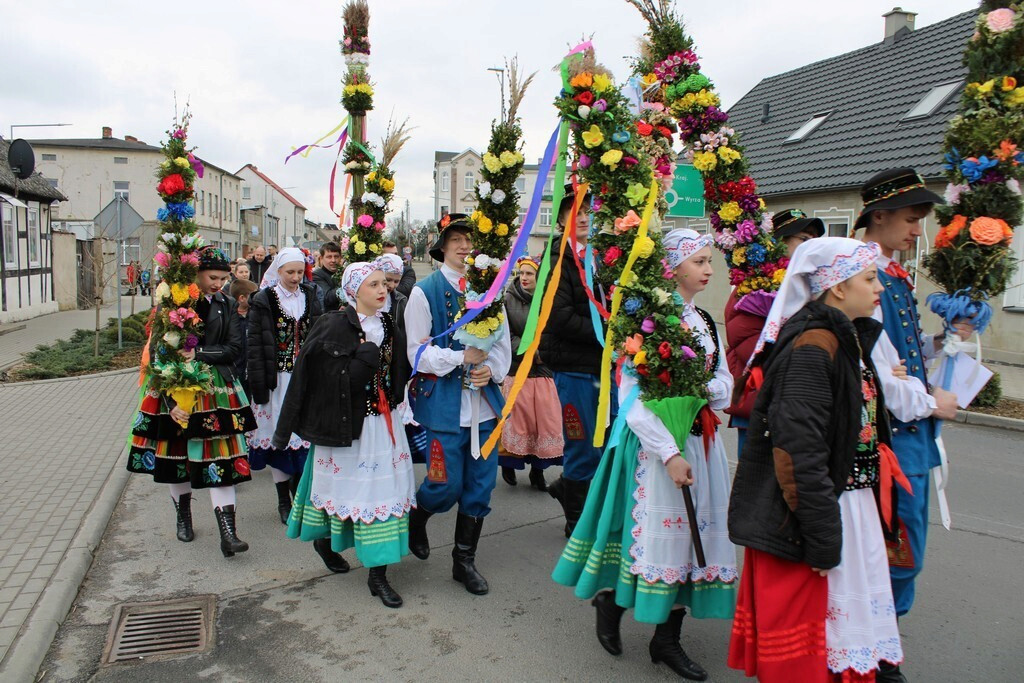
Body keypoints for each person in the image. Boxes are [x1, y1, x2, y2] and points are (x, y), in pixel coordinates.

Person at [553, 230, 736, 681]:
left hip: (703, 443)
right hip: (657, 451)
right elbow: (633, 399)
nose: (709, 270)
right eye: (699, 261)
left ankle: (666, 641)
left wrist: (698, 391)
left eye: (709, 260)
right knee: (658, 538)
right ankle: (611, 605)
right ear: (673, 267)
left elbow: (726, 382)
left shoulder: (707, 322)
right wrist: (669, 452)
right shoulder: (648, 324)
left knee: (695, 540)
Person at [727, 237, 908, 682]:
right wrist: (823, 535)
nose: (879, 286)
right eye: (869, 278)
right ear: (839, 288)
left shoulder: (846, 338)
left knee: (845, 638)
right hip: (824, 506)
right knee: (817, 651)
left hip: (848, 500)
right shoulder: (814, 346)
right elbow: (799, 449)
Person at [855, 168, 967, 681]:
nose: (917, 231)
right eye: (910, 219)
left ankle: (882, 640)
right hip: (893, 440)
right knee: (899, 551)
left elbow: (905, 358)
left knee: (904, 549)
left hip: (912, 440)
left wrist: (948, 345)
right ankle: (877, 645)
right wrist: (932, 401)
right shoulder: (862, 277)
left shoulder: (895, 275)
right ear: (878, 216)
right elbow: (880, 370)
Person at [279, 259, 416, 608]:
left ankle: (377, 575)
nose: (383, 290)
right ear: (355, 291)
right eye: (374, 285)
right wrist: (362, 360)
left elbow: (399, 369)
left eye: (384, 283)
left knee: (381, 496)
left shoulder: (389, 322)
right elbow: (314, 378)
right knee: (341, 491)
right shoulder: (333, 325)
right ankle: (324, 542)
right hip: (346, 428)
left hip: (383, 426)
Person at [404, 213, 511, 596]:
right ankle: (418, 517)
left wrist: (491, 371)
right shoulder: (425, 291)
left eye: (470, 239)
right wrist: (458, 359)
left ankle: (463, 561)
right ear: (443, 245)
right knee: (443, 483)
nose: (464, 246)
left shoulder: (492, 289)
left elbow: (502, 347)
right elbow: (416, 353)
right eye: (457, 239)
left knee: (480, 487)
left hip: (483, 406)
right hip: (445, 405)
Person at [126, 246, 257, 558]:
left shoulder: (226, 302)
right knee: (177, 459)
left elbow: (233, 348)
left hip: (216, 392)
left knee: (223, 460)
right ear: (196, 273)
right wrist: (171, 400)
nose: (219, 284)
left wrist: (199, 353)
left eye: (224, 278)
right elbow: (160, 351)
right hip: (174, 387)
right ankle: (183, 516)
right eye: (213, 277)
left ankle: (229, 533)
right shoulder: (174, 302)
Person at [724, 209, 825, 456]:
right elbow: (747, 343)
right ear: (778, 244)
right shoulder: (753, 288)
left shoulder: (808, 286)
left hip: (795, 401)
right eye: (803, 240)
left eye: (814, 241)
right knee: (756, 482)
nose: (810, 248)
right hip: (760, 401)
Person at [539, 184, 605, 537]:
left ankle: (569, 488)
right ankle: (575, 521)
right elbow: (560, 317)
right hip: (575, 367)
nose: (582, 218)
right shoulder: (560, 263)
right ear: (562, 221)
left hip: (602, 367)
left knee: (599, 443)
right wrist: (606, 331)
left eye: (587, 211)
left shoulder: (600, 258)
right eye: (574, 213)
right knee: (582, 443)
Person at [246, 247, 324, 524]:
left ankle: (301, 496)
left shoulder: (312, 296)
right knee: (280, 442)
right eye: (290, 272)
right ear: (278, 271)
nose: (295, 277)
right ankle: (283, 500)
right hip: (277, 380)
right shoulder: (264, 300)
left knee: (303, 441)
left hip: (305, 380)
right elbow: (254, 345)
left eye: (300, 272)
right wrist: (258, 385)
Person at [498, 256, 563, 490]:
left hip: (543, 369)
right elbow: (505, 334)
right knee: (517, 421)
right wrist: (527, 350)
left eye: (529, 274)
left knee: (543, 422)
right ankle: (508, 463)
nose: (524, 278)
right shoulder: (507, 300)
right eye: (521, 273)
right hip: (517, 368)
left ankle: (539, 472)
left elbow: (555, 331)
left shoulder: (549, 299)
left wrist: (542, 352)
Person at [230, 278, 258, 397]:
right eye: (253, 296)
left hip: (251, 368)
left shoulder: (255, 315)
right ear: (242, 298)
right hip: (236, 368)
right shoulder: (231, 317)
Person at [311, 241, 343, 311]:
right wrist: (346, 284)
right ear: (321, 258)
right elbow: (327, 298)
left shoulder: (344, 272)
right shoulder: (316, 275)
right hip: (329, 318)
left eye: (336, 256)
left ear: (340, 258)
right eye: (329, 257)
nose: (333, 260)